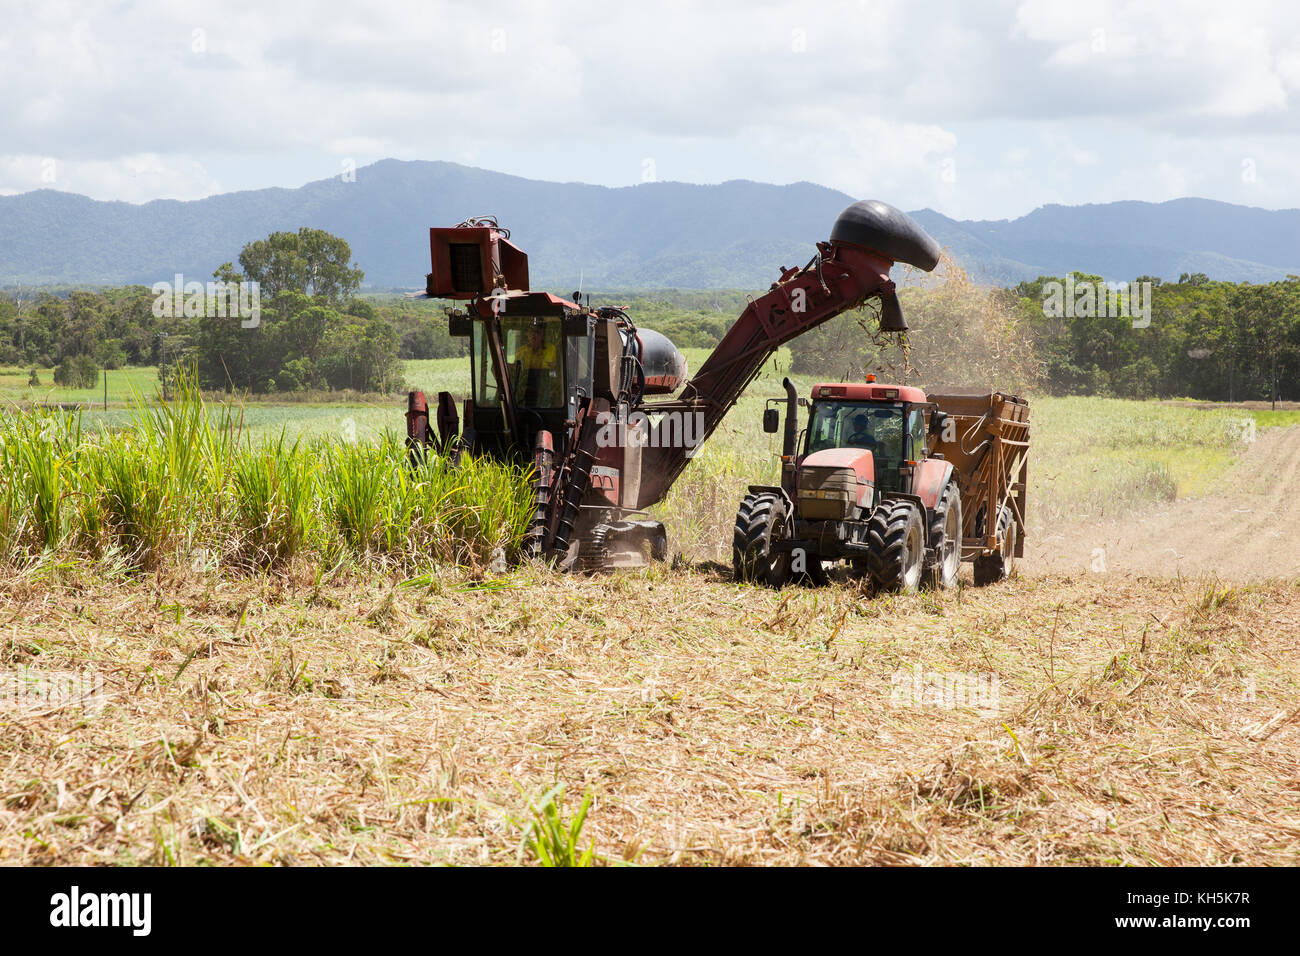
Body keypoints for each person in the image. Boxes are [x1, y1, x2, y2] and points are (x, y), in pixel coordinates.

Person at [514, 323, 558, 404]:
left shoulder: (551, 349)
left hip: (544, 383)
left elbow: (555, 368)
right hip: (525, 383)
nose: (533, 335)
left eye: (537, 332)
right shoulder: (521, 351)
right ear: (527, 335)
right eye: (531, 332)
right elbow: (515, 369)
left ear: (542, 336)